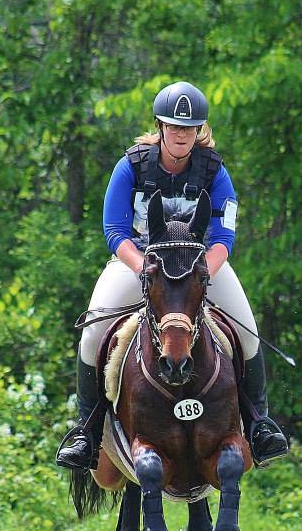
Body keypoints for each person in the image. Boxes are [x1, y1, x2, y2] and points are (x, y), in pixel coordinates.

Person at [56, 81, 288, 471]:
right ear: (160, 126)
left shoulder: (214, 170)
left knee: (247, 331)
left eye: (189, 128)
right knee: (93, 333)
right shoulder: (131, 166)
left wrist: (203, 272)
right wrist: (143, 267)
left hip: (199, 265)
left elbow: (224, 236)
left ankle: (259, 426)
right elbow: (114, 230)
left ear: (199, 131)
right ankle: (87, 434)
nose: (182, 135)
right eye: (175, 126)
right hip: (140, 263)